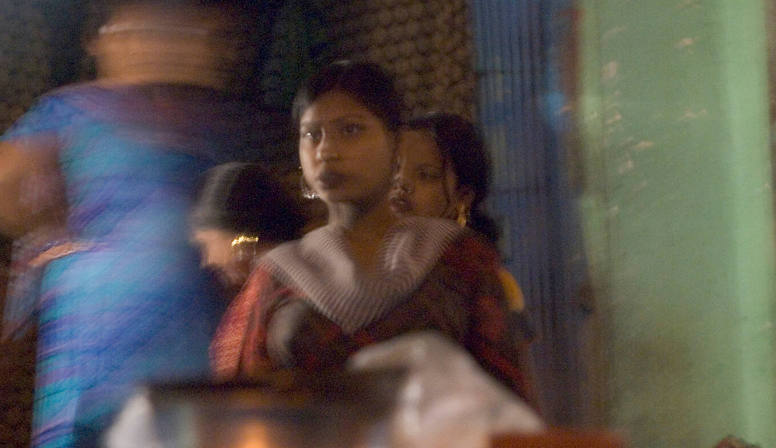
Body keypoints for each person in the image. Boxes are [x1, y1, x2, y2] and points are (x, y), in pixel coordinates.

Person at [0, 0, 287, 448]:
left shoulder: (214, 120)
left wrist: (241, 253)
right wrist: (53, 231)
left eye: (171, 33)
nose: (156, 45)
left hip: (193, 333)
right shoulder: (73, 110)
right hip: (98, 337)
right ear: (103, 43)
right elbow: (8, 183)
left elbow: (255, 216)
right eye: (136, 32)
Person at [210, 61, 536, 405]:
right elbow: (236, 405)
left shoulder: (457, 256)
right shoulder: (278, 273)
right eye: (312, 134)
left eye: (351, 130)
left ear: (395, 145)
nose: (326, 150)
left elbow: (508, 400)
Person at [390, 113, 526, 312]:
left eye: (425, 175)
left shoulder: (487, 286)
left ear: (462, 197)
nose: (401, 184)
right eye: (394, 168)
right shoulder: (361, 270)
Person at [190, 162, 305, 293]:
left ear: (242, 237)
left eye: (206, 244)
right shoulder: (279, 292)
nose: (207, 261)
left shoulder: (290, 301)